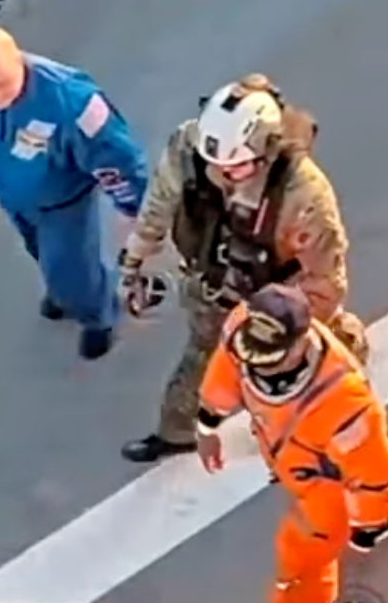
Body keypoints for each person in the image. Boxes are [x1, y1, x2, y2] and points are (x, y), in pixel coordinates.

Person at [115, 76, 368, 464]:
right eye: (214, 164)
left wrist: (292, 329)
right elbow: (160, 202)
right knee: (201, 358)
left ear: (265, 151)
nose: (221, 174)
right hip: (211, 287)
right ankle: (176, 431)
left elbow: (325, 275)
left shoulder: (304, 193)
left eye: (235, 167)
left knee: (313, 361)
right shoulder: (190, 148)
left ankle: (339, 401)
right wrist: (134, 258)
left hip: (276, 300)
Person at [195, 283, 388, 603]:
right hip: (294, 461)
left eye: (269, 362)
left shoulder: (345, 403)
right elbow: (225, 369)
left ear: (301, 343)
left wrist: (364, 526)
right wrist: (207, 422)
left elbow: (371, 473)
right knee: (385, 497)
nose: (258, 370)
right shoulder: (244, 330)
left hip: (324, 487)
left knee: (300, 561)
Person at [0, 26, 149, 361]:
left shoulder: (70, 101)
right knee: (39, 249)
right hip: (12, 197)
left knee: (71, 266)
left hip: (63, 202)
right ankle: (63, 289)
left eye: (4, 83)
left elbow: (118, 158)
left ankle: (98, 318)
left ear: (19, 60)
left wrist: (133, 208)